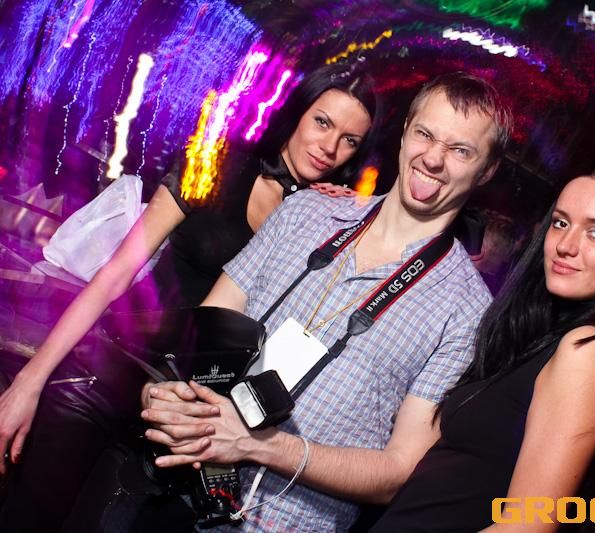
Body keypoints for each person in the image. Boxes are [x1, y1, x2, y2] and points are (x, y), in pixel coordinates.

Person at [0, 62, 378, 530]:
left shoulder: (319, 218)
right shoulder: (217, 163)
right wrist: (30, 381)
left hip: (175, 417)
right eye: (322, 122)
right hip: (103, 377)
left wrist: (333, 209)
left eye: (349, 140)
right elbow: (116, 273)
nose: (330, 147)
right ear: (297, 113)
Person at [138, 71, 512, 531]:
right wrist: (160, 394)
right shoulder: (304, 213)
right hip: (176, 488)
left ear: (487, 169)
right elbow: (195, 339)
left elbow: (398, 471)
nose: (433, 158)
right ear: (405, 131)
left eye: (460, 150)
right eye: (425, 134)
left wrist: (259, 445)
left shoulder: (466, 311)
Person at [371, 167, 595, 531]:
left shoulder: (589, 349)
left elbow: (527, 525)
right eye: (560, 223)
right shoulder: (536, 335)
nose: (566, 245)